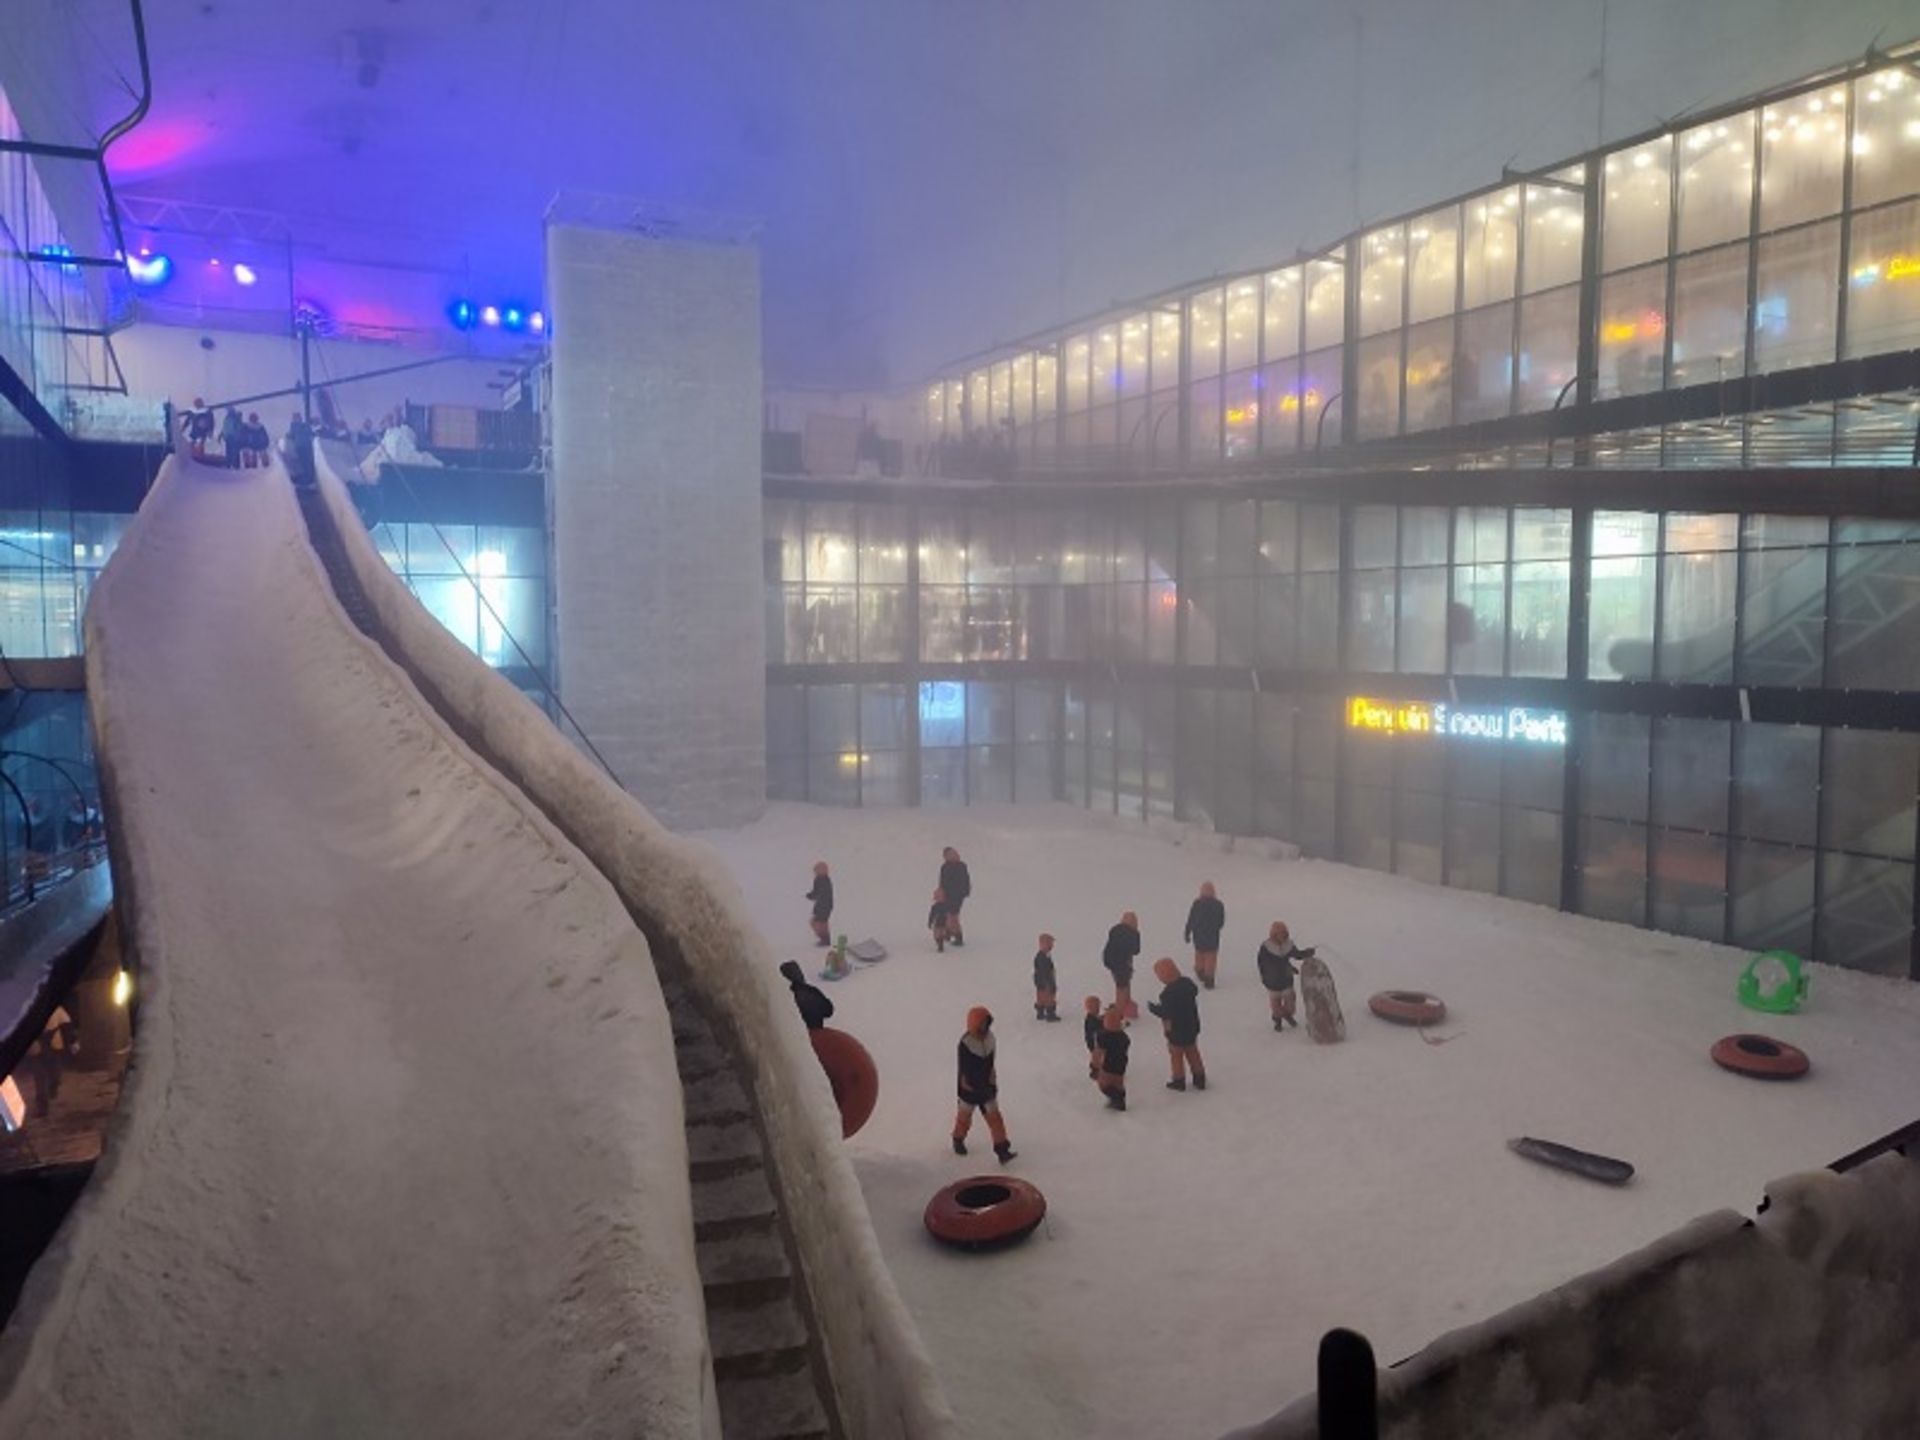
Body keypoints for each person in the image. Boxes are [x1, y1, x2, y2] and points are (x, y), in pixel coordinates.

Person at [952, 1006, 1015, 1162]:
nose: (985, 1026)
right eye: (982, 1023)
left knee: (996, 1120)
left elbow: (991, 1062)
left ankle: (1002, 1150)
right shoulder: (966, 1043)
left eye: (986, 1022)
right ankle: (958, 1139)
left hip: (987, 1088)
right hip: (970, 1090)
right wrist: (970, 1085)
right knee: (964, 1119)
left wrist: (992, 1079)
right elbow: (964, 1070)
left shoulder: (990, 1039)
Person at [1147, 956, 1207, 1092]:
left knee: (1176, 1056)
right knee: (1193, 1052)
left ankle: (1178, 1079)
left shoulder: (1168, 994)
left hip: (1176, 1030)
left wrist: (1154, 1009)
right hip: (1191, 1027)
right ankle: (1199, 1077)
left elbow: (1167, 1013)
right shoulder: (1188, 985)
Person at [1257, 921, 1302, 1033]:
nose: (1283, 936)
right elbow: (1261, 964)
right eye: (1280, 933)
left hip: (1286, 979)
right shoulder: (1266, 947)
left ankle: (1287, 1014)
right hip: (1272, 980)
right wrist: (1264, 977)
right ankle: (1277, 1020)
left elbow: (1297, 955)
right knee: (1275, 1004)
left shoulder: (1288, 945)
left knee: (1290, 1002)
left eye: (1284, 933)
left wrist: (1308, 953)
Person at [1184, 881, 1226, 990]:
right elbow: (1221, 921)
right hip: (1213, 936)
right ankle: (1209, 979)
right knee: (1211, 957)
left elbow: (1191, 919)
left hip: (1198, 935)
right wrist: (1215, 928)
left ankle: (1200, 971)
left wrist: (1187, 932)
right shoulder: (1219, 905)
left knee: (1199, 954)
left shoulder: (1197, 904)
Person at [1102, 910, 1142, 1019]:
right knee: (1123, 986)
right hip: (1123, 963)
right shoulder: (1134, 933)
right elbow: (1136, 950)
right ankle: (1120, 1011)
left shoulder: (1114, 929)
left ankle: (1124, 1003)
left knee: (1120, 983)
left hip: (1109, 960)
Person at [778, 960, 834, 1031]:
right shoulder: (812, 991)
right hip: (816, 1032)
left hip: (795, 1033)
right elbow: (829, 1011)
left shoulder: (782, 997)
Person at [1094, 1005, 1131, 1111]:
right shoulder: (1124, 1037)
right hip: (1122, 1062)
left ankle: (1116, 1098)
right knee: (1118, 1082)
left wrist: (1095, 1065)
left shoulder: (1103, 1036)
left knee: (1103, 1083)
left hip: (1108, 1063)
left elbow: (1099, 1052)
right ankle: (1120, 1099)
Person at [938, 846, 971, 946]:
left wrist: (965, 892)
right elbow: (942, 881)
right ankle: (948, 932)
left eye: (954, 853)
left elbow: (966, 880)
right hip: (947, 895)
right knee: (947, 914)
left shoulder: (961, 866)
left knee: (953, 916)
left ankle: (958, 936)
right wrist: (941, 892)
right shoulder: (945, 867)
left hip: (957, 896)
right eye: (949, 855)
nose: (953, 856)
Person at [805, 861, 833, 947]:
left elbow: (821, 892)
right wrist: (811, 895)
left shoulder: (823, 880)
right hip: (821, 905)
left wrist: (812, 895)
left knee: (819, 922)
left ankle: (825, 939)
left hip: (824, 905)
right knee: (818, 922)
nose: (815, 872)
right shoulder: (819, 879)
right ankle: (824, 939)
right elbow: (817, 892)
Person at [1032, 933, 1059, 1021]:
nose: (1052, 946)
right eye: (1050, 944)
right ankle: (1050, 1014)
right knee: (1048, 997)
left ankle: (1041, 1012)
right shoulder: (1041, 957)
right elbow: (1044, 970)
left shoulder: (1046, 955)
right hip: (1045, 981)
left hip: (1042, 981)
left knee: (1042, 996)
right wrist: (1049, 982)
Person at [1082, 995, 1104, 1080]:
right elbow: (1098, 1026)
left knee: (1099, 1055)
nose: (1098, 1009)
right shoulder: (1091, 1020)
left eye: (1098, 1006)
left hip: (1096, 1041)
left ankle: (1098, 1068)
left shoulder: (1093, 1017)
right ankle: (1095, 1071)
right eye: (1096, 1007)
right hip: (1094, 1042)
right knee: (1097, 1056)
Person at [927, 887, 953, 952]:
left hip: (939, 922)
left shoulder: (935, 907)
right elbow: (949, 914)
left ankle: (940, 943)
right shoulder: (946, 905)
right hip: (943, 922)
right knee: (941, 932)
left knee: (938, 934)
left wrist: (930, 922)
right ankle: (942, 940)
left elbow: (932, 915)